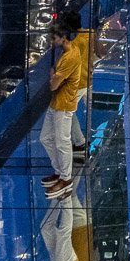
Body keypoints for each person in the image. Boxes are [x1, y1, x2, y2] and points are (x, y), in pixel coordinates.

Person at [41, 11, 88, 196]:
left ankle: (66, 178)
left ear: (62, 37)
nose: (51, 42)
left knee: (62, 142)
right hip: (56, 105)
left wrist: (53, 76)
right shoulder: (66, 52)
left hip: (64, 105)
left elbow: (53, 85)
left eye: (54, 38)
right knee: (46, 138)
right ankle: (60, 172)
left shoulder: (70, 57)